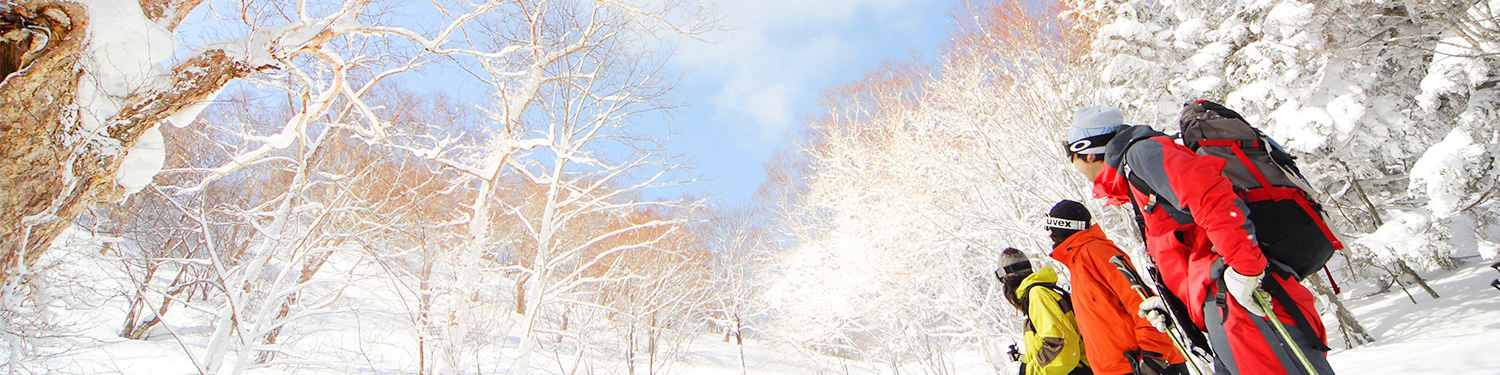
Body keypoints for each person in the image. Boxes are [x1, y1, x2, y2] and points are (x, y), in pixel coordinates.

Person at [1062, 105, 1334, 375]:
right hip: (1224, 305)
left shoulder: (1141, 153)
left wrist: (1245, 269)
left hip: (1239, 302)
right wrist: (1172, 305)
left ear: (1085, 153)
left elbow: (1211, 196)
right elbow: (1185, 244)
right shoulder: (1136, 173)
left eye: (1072, 158)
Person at [1045, 199, 1190, 375]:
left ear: (1061, 229)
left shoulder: (1096, 251)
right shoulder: (1077, 262)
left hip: (1143, 366)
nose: (1050, 236)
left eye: (1051, 229)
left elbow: (1140, 300)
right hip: (1118, 369)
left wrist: (1154, 357)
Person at [997, 247, 1093, 375]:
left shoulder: (1037, 295)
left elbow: (1061, 347)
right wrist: (1023, 361)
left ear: (1006, 281)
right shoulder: (1036, 296)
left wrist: (1025, 370)